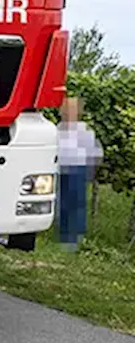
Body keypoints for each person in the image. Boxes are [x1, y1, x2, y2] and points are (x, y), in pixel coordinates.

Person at [57, 97, 103, 252]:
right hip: (61, 171)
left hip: (78, 171)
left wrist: (89, 172)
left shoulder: (85, 131)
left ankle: (75, 239)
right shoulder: (58, 129)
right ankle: (64, 237)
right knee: (62, 205)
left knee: (77, 205)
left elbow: (95, 153)